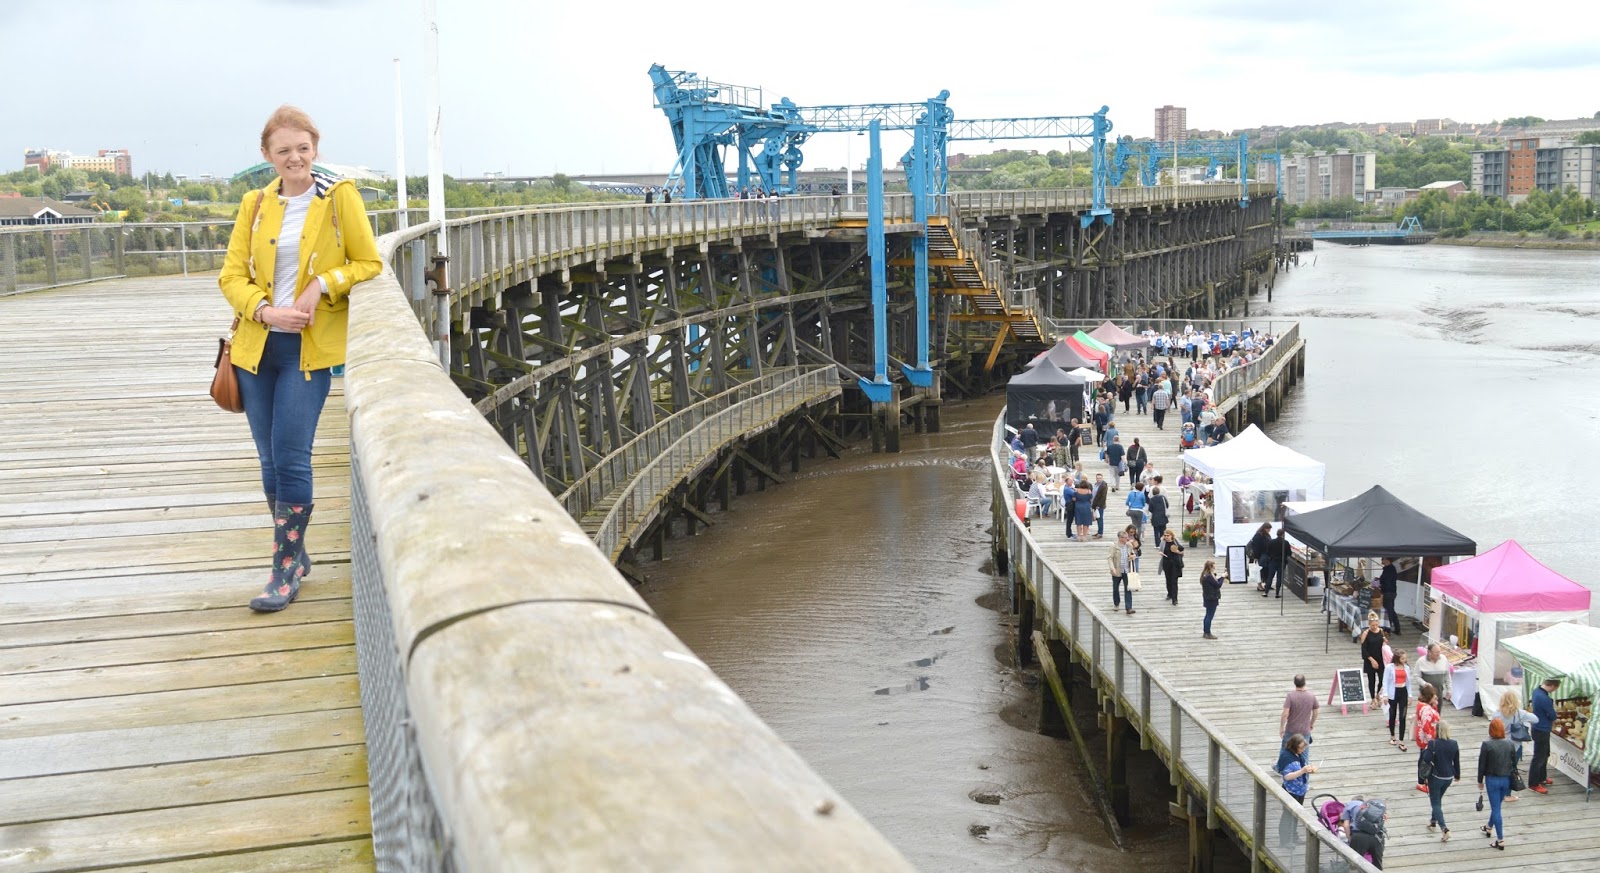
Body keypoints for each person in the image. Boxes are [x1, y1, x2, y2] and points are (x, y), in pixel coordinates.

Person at [219, 106, 380, 612]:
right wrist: (265, 312)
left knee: (291, 456)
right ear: (267, 155)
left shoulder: (339, 199)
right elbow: (230, 277)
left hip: (306, 354)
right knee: (269, 463)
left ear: (316, 150)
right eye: (283, 150)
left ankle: (284, 571)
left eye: (303, 148)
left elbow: (369, 261)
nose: (294, 158)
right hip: (254, 348)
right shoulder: (254, 204)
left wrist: (320, 285)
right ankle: (295, 551)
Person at [1477, 717, 1517, 849]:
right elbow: (1514, 763)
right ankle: (1489, 827)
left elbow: (1481, 765)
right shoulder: (1510, 744)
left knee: (1496, 809)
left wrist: (1480, 780)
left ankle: (1500, 840)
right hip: (1506, 779)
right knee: (1497, 807)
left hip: (1492, 779)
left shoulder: (1487, 744)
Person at [1274, 733, 1316, 848]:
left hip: (1300, 790)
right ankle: (1284, 840)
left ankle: (1293, 836)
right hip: (1290, 790)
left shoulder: (1298, 755)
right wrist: (1302, 771)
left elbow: (1302, 768)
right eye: (1301, 747)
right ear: (1294, 746)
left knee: (1296, 815)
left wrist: (1308, 770)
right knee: (1287, 815)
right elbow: (1287, 776)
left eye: (1304, 748)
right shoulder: (1286, 756)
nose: (1303, 750)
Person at [1424, 719, 1460, 840]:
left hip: (1436, 776)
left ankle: (1444, 829)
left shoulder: (1433, 743)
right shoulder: (1454, 743)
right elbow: (1456, 761)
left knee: (1435, 802)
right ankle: (1433, 821)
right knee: (1438, 800)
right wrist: (1457, 775)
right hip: (1449, 777)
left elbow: (1427, 759)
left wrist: (1427, 749)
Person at [1529, 677, 1560, 794]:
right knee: (1539, 757)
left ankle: (1542, 778)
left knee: (1544, 754)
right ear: (1552, 686)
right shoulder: (1545, 698)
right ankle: (1533, 783)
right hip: (1542, 729)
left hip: (1537, 727)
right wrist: (1554, 714)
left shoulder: (1536, 691)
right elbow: (1552, 715)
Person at [1382, 650, 1412, 751]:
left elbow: (1408, 682)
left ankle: (1401, 740)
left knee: (1403, 715)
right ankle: (1392, 736)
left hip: (1403, 691)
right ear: (1397, 658)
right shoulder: (1389, 667)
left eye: (1405, 658)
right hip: (1393, 692)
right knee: (1392, 714)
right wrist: (1385, 695)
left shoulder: (1406, 668)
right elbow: (1385, 681)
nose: (1405, 660)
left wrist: (1410, 695)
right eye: (1402, 658)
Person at [1414, 683, 1441, 792]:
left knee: (1423, 757)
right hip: (1426, 737)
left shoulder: (1423, 706)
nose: (1436, 698)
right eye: (1434, 697)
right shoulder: (1426, 709)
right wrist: (1431, 740)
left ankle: (1423, 779)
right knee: (1424, 758)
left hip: (1423, 736)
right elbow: (1426, 725)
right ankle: (1421, 781)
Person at [1281, 674, 1319, 747]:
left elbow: (1285, 714)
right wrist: (1311, 724)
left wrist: (1282, 727)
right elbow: (1316, 712)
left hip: (1291, 729)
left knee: (1285, 751)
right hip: (1305, 730)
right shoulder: (1311, 696)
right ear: (1304, 683)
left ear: (1294, 683)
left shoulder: (1290, 696)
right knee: (1304, 754)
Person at [1358, 612, 1386, 705]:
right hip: (1370, 659)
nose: (1375, 627)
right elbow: (1364, 650)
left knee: (1382, 679)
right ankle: (1373, 698)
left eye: (1376, 625)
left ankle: (1378, 694)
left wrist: (1385, 642)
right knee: (1372, 680)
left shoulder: (1381, 631)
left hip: (1380, 658)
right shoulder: (1366, 633)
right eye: (1373, 625)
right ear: (1369, 624)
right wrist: (1372, 660)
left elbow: (1383, 642)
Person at [1108, 532, 1135, 615]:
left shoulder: (1129, 546)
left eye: (1127, 537)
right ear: (1120, 538)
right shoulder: (1114, 546)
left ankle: (1128, 607)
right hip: (1117, 570)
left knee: (1128, 589)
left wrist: (1132, 556)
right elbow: (1109, 558)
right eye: (1124, 537)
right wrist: (1112, 568)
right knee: (1115, 588)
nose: (1126, 539)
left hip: (1127, 570)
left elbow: (1133, 553)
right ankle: (1116, 603)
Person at [1261, 527, 1290, 598]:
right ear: (1283, 534)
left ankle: (1266, 592)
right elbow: (1289, 553)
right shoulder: (1286, 543)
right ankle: (1277, 593)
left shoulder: (1271, 542)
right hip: (1281, 561)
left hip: (1273, 561)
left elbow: (1267, 552)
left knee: (1270, 577)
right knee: (1279, 578)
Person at [1159, 530, 1185, 604]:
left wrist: (1178, 552)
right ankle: (1169, 593)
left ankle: (1175, 598)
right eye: (1165, 535)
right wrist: (1161, 553)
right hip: (1166, 562)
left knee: (1174, 581)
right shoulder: (1163, 542)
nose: (1166, 537)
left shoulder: (1176, 541)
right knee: (1168, 579)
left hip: (1175, 563)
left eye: (1168, 535)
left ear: (1171, 536)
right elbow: (1160, 550)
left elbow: (1182, 551)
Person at [1377, 557, 1401, 636]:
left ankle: (1388, 628)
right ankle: (1397, 628)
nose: (1381, 560)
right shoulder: (1389, 569)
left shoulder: (1389, 569)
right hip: (1391, 592)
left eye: (1382, 559)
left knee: (1389, 610)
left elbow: (1387, 582)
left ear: (1387, 560)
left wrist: (1380, 585)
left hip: (1388, 592)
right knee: (1391, 609)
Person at [1200, 559, 1222, 639]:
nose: (1214, 569)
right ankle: (1207, 632)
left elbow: (1215, 582)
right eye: (1213, 567)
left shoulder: (1205, 575)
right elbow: (1217, 585)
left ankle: (1205, 631)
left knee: (1207, 615)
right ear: (1210, 567)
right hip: (1212, 598)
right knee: (1210, 616)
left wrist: (1221, 578)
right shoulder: (1209, 576)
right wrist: (1223, 577)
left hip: (1207, 597)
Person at [1247, 523, 1272, 591]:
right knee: (1259, 571)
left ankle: (1267, 584)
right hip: (1260, 556)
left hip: (1265, 555)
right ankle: (1259, 585)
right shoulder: (1258, 535)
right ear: (1264, 528)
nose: (1269, 530)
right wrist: (1256, 557)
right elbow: (1256, 547)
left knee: (1265, 570)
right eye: (1268, 529)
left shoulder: (1266, 535)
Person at [1091, 474, 1108, 538]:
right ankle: (1099, 531)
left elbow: (1103, 497)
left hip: (1099, 505)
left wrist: (1099, 505)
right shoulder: (1096, 484)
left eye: (1100, 478)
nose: (1098, 479)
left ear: (1102, 478)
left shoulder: (1103, 485)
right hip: (1094, 504)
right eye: (1097, 478)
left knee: (1100, 518)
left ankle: (1100, 533)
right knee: (1098, 518)